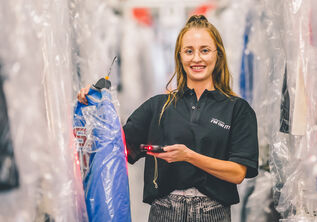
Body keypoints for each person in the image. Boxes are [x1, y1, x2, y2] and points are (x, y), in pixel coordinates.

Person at [77, 14, 258, 222]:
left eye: (205, 50)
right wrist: (94, 106)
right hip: (164, 212)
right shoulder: (158, 106)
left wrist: (189, 156)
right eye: (189, 51)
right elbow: (113, 144)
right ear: (180, 56)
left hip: (213, 214)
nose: (196, 58)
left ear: (218, 54)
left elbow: (237, 173)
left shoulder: (237, 109)